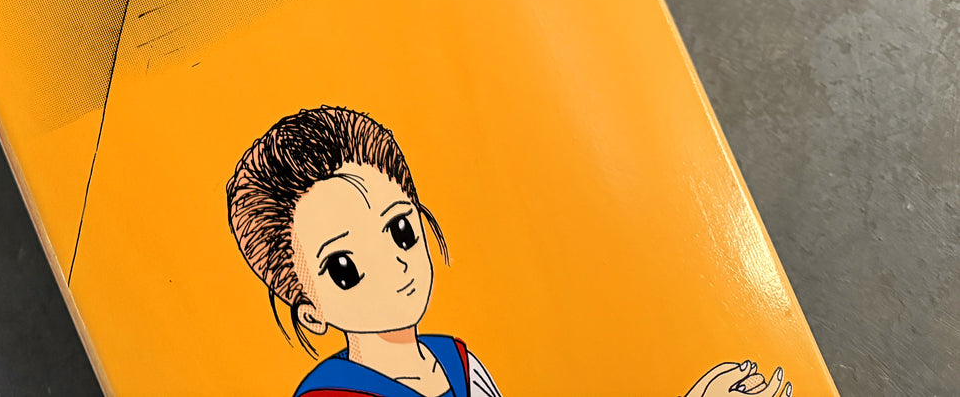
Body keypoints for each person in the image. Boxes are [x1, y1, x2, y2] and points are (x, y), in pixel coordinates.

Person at [226, 106, 795, 397]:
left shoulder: (457, 363)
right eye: (345, 267)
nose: (394, 262)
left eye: (400, 230)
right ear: (311, 311)